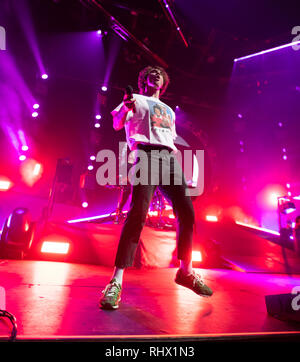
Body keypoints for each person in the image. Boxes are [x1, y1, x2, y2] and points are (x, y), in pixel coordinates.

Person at [99, 65, 213, 310]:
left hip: (169, 159)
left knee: (187, 212)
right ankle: (115, 282)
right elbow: (117, 124)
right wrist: (126, 106)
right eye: (151, 73)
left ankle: (186, 272)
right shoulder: (135, 100)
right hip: (146, 155)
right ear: (143, 80)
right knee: (138, 213)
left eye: (160, 73)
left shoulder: (168, 110)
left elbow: (169, 139)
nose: (156, 75)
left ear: (164, 82)